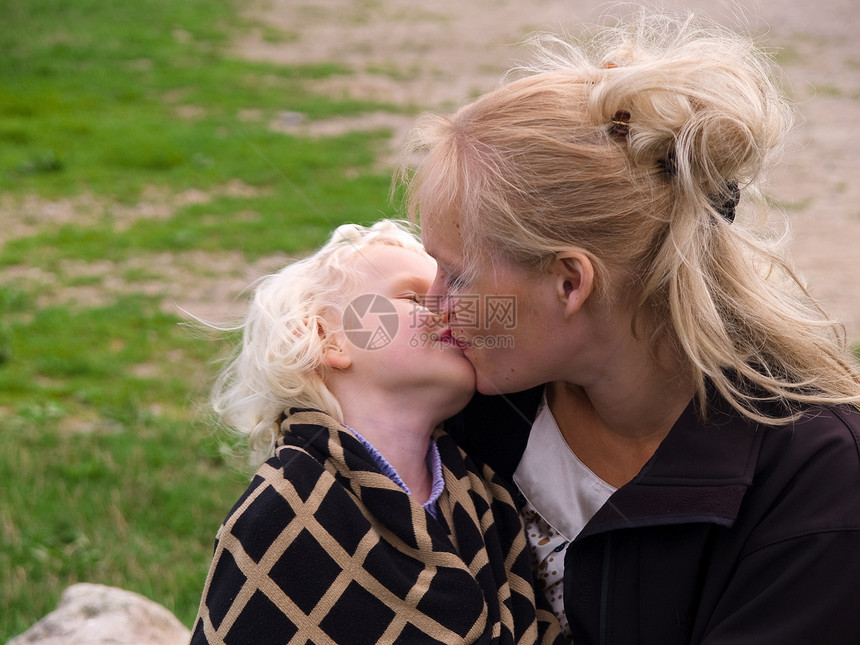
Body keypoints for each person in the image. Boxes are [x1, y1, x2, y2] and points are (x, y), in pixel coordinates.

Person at [400, 10, 860, 644]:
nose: (431, 304)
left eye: (456, 276)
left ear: (570, 282)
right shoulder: (471, 404)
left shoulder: (818, 490)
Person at [190, 220, 564, 644]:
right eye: (413, 297)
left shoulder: (487, 496)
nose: (448, 306)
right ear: (327, 338)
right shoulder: (285, 507)